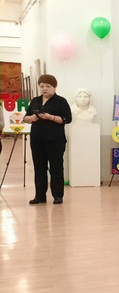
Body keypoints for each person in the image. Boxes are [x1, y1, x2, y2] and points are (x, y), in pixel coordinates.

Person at [23, 74, 72, 205]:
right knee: (39, 168)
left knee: (56, 168)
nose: (44, 89)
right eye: (42, 86)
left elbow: (67, 119)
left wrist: (51, 117)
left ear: (54, 87)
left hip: (55, 140)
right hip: (37, 140)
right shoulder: (35, 100)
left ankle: (58, 195)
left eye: (48, 86)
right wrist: (32, 118)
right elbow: (25, 117)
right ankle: (40, 196)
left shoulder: (61, 101)